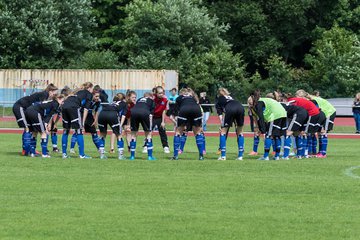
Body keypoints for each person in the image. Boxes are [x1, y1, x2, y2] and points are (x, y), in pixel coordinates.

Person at [12, 84, 58, 155]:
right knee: (27, 128)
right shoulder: (44, 95)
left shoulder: (45, 96)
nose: (55, 94)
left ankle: (29, 149)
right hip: (20, 107)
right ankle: (26, 150)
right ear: (50, 91)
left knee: (30, 129)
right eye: (55, 92)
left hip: (27, 110)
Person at [248, 90, 287, 161]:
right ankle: (277, 156)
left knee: (268, 135)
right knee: (277, 135)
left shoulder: (259, 103)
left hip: (275, 116)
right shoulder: (263, 100)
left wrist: (262, 130)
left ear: (253, 98)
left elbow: (260, 117)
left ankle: (266, 156)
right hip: (283, 114)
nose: (250, 105)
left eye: (250, 103)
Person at [61, 82, 94, 159]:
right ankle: (82, 155)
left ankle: (64, 154)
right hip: (74, 107)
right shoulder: (89, 94)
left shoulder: (77, 91)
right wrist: (82, 123)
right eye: (92, 88)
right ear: (89, 88)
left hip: (64, 106)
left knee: (66, 130)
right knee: (79, 131)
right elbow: (86, 109)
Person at [171, 88, 205, 160]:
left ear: (181, 93)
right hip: (196, 109)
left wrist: (175, 117)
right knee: (198, 133)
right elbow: (198, 103)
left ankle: (175, 155)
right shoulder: (193, 97)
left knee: (178, 132)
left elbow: (176, 109)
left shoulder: (179, 97)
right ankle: (201, 155)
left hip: (184, 109)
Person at [287, 92, 324, 158]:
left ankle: (305, 153)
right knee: (308, 133)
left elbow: (293, 109)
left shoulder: (292, 100)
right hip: (315, 114)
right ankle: (308, 153)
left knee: (304, 133)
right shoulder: (302, 100)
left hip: (311, 114)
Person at [302, 90, 336, 158]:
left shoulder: (313, 100)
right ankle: (316, 152)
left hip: (328, 113)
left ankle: (323, 153)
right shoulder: (312, 99)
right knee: (318, 132)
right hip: (322, 114)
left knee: (323, 132)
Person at [215, 88, 245, 161]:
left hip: (230, 108)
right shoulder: (231, 98)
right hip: (240, 107)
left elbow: (220, 113)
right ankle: (240, 156)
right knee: (240, 132)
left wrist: (222, 125)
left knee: (223, 132)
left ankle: (223, 156)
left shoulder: (220, 98)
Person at [97, 93, 127, 159]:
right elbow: (123, 115)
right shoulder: (124, 103)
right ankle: (121, 155)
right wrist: (120, 125)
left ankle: (102, 155)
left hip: (102, 114)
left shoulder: (111, 103)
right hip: (112, 114)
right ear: (123, 99)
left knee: (102, 134)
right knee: (119, 135)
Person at [129, 92, 156, 160]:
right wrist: (150, 127)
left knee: (133, 134)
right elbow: (151, 115)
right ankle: (150, 156)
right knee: (148, 134)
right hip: (144, 112)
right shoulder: (152, 101)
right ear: (151, 97)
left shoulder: (139, 99)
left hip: (133, 112)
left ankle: (132, 156)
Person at [146, 86, 170, 153]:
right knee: (149, 131)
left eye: (162, 93)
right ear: (156, 93)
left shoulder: (165, 100)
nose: (161, 94)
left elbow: (163, 111)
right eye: (159, 93)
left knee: (162, 131)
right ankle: (146, 145)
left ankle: (166, 147)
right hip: (152, 116)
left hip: (159, 117)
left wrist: (163, 121)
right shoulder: (152, 99)